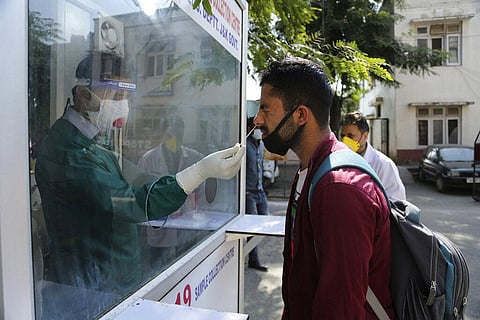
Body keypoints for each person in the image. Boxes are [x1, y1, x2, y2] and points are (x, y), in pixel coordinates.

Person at [34, 51, 245, 312]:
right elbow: (129, 200)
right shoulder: (69, 151)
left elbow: (135, 177)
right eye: (117, 96)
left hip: (107, 280)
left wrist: (187, 176)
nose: (124, 105)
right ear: (82, 94)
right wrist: (198, 173)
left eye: (127, 97)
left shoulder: (94, 140)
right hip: (85, 288)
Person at [254, 57, 394, 319]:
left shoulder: (339, 189)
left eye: (265, 109)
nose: (258, 120)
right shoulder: (310, 171)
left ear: (300, 115)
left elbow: (341, 309)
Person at [137, 116, 206, 269]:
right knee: (158, 270)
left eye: (178, 135)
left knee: (187, 268)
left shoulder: (194, 158)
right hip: (160, 227)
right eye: (170, 136)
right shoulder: (148, 160)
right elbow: (141, 194)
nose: (174, 140)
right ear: (163, 133)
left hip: (186, 226)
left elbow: (201, 191)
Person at [340, 111, 406, 201]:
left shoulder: (384, 164)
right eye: (343, 136)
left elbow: (397, 201)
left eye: (350, 136)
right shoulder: (339, 160)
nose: (345, 140)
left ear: (365, 136)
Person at [245, 116, 269, 272]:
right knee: (252, 229)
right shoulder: (245, 145)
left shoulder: (260, 145)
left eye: (261, 127)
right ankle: (252, 259)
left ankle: (250, 254)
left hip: (260, 191)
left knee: (265, 224)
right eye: (257, 127)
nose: (259, 131)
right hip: (249, 193)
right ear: (249, 128)